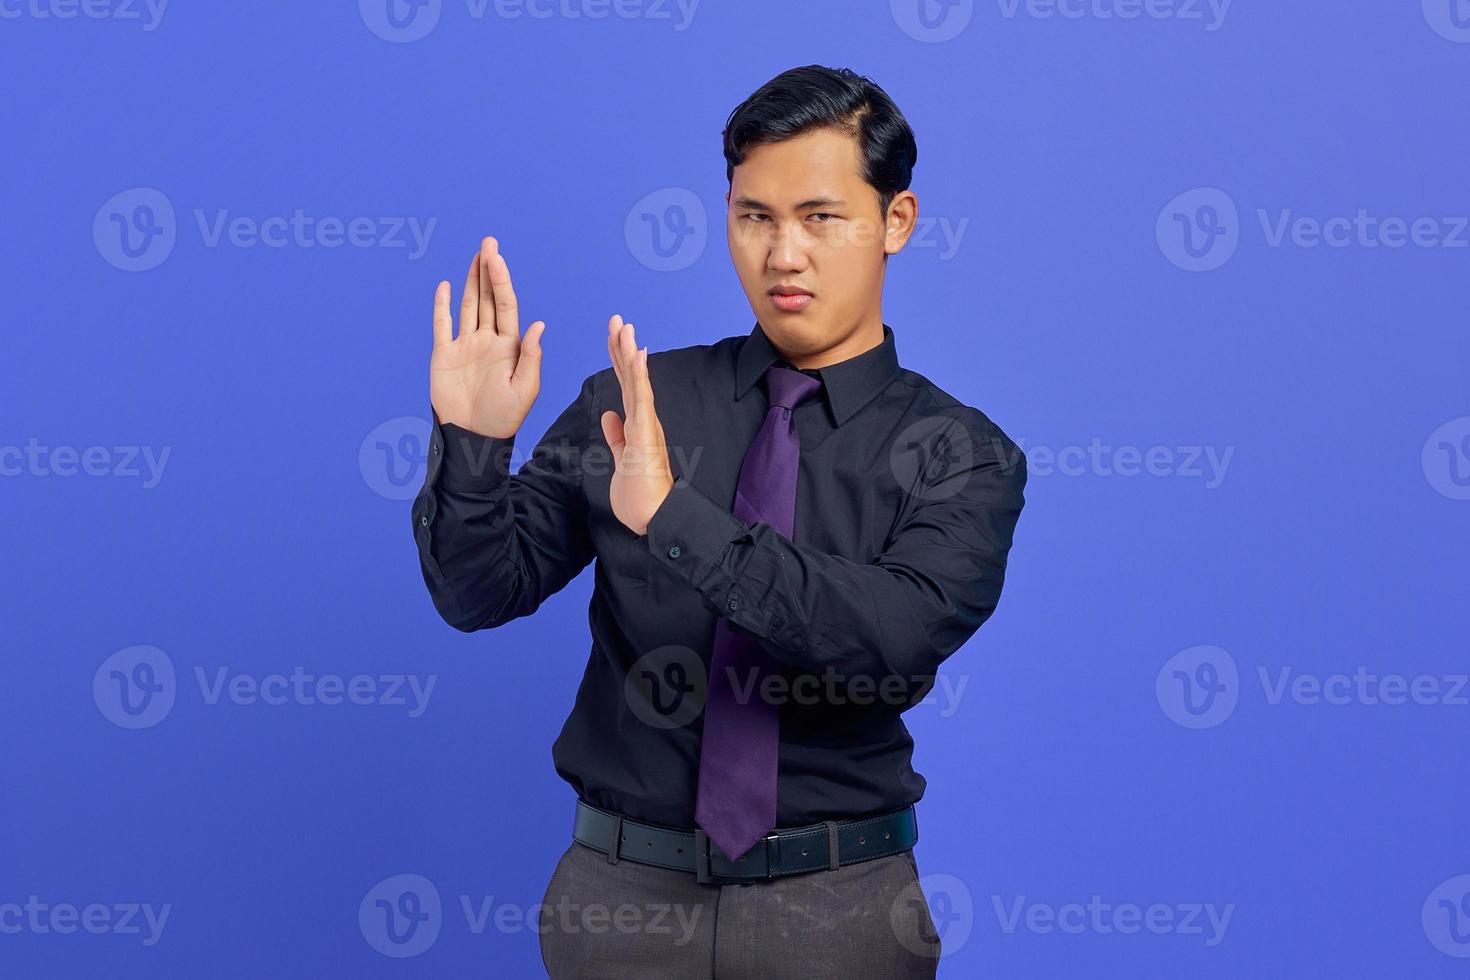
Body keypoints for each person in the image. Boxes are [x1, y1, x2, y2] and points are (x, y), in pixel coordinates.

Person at [411, 64, 1026, 978]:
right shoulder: (634, 403)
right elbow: (477, 592)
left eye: (821, 217)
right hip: (619, 903)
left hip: (839, 910)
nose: (784, 254)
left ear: (896, 220)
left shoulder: (960, 451)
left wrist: (673, 518)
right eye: (755, 218)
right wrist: (472, 443)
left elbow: (889, 641)